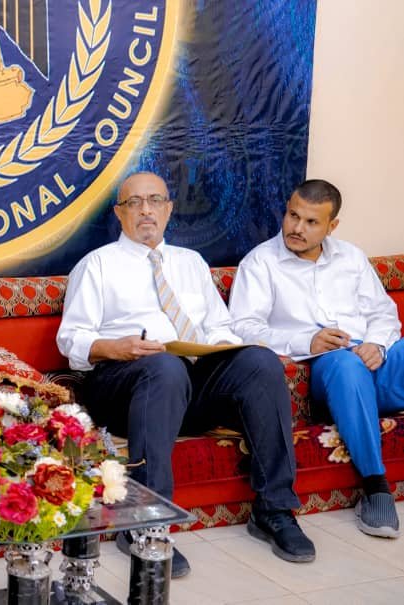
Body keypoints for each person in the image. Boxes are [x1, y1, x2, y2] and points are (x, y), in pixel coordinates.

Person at [56, 172, 315, 575]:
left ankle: (274, 509)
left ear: (169, 209)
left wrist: (225, 348)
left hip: (188, 383)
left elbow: (218, 326)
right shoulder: (97, 265)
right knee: (165, 365)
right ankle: (146, 523)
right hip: (124, 384)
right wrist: (117, 346)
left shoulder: (190, 262)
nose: (146, 210)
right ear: (119, 213)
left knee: (260, 362)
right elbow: (71, 339)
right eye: (135, 203)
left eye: (155, 201)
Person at [230, 179, 402, 539]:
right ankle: (376, 488)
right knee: (347, 366)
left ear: (331, 226)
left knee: (366, 362)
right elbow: (243, 328)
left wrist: (377, 344)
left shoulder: (351, 257)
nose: (297, 228)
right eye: (293, 216)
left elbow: (384, 314)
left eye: (311, 222)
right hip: (326, 366)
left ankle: (357, 405)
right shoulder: (260, 262)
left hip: (371, 359)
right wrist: (307, 340)